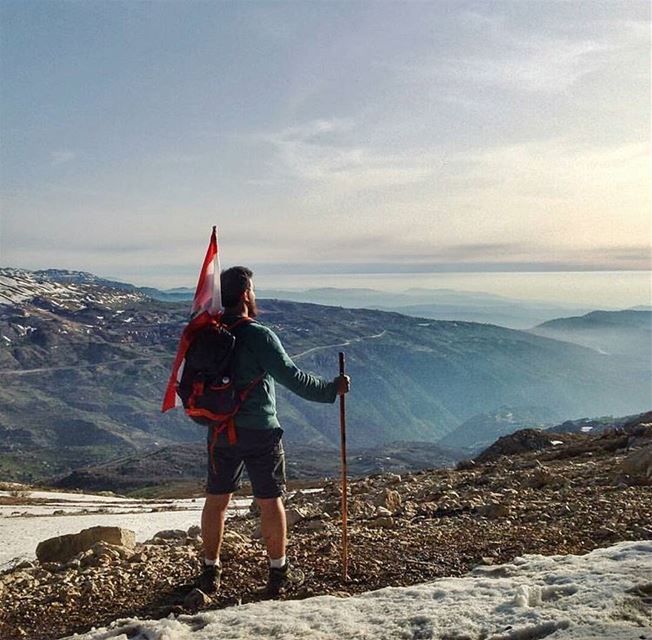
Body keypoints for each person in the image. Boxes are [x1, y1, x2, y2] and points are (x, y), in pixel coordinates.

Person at [198, 266, 351, 598]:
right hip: (260, 433)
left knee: (217, 502)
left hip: (220, 431)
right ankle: (278, 572)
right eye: (252, 289)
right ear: (245, 295)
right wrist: (331, 390)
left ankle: (210, 571)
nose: (254, 294)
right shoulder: (258, 335)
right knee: (270, 502)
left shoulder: (208, 333)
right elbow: (293, 378)